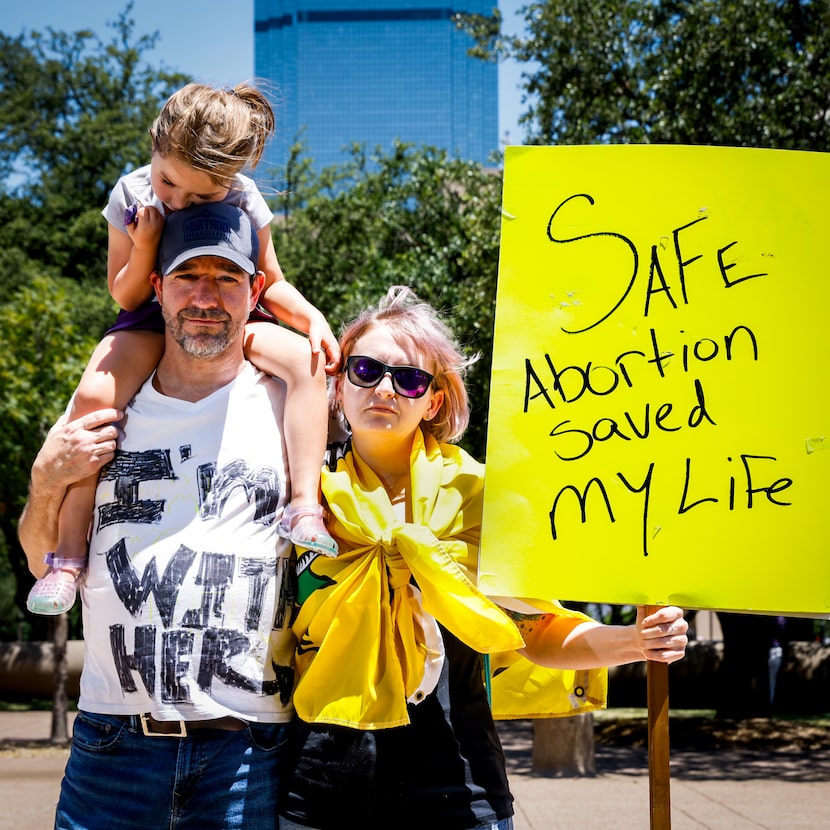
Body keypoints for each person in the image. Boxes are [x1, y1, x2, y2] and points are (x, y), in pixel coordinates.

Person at [278, 286, 689, 830]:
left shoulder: (479, 498)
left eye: (408, 378)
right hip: (321, 789)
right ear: (337, 384)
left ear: (434, 400)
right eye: (364, 369)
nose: (383, 389)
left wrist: (638, 642)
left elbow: (537, 631)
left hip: (455, 785)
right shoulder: (301, 496)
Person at [20, 203, 298, 830]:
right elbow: (42, 557)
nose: (205, 296)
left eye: (226, 278)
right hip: (114, 747)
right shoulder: (105, 400)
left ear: (255, 291)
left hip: (248, 754)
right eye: (186, 276)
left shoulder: (291, 404)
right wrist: (44, 483)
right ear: (157, 288)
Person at [26, 82, 338, 617]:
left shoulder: (244, 197)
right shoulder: (132, 194)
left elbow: (272, 279)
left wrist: (312, 317)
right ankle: (68, 557)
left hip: (233, 314)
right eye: (170, 181)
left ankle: (304, 506)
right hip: (150, 313)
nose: (177, 200)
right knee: (94, 399)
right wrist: (146, 240)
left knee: (305, 363)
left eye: (200, 198)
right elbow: (123, 292)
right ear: (155, 146)